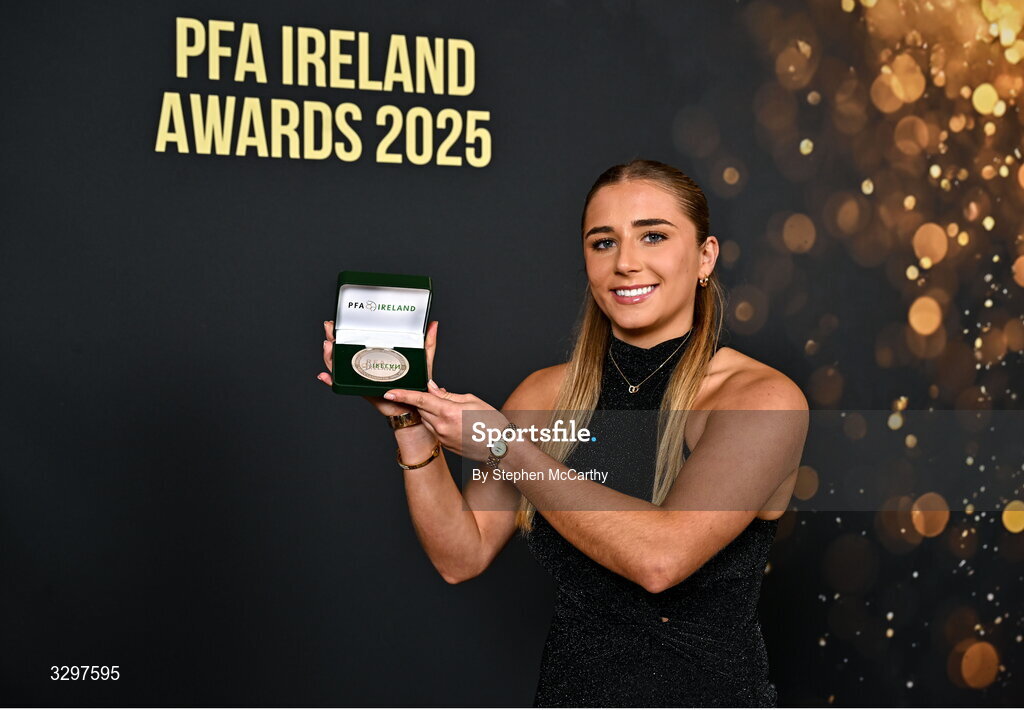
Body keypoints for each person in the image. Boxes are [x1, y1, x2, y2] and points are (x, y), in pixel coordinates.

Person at [317, 159, 808, 707]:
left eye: (653, 236)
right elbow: (462, 555)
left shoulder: (761, 399)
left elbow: (660, 561)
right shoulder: (545, 396)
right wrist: (407, 420)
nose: (626, 262)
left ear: (705, 256)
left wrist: (503, 446)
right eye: (603, 243)